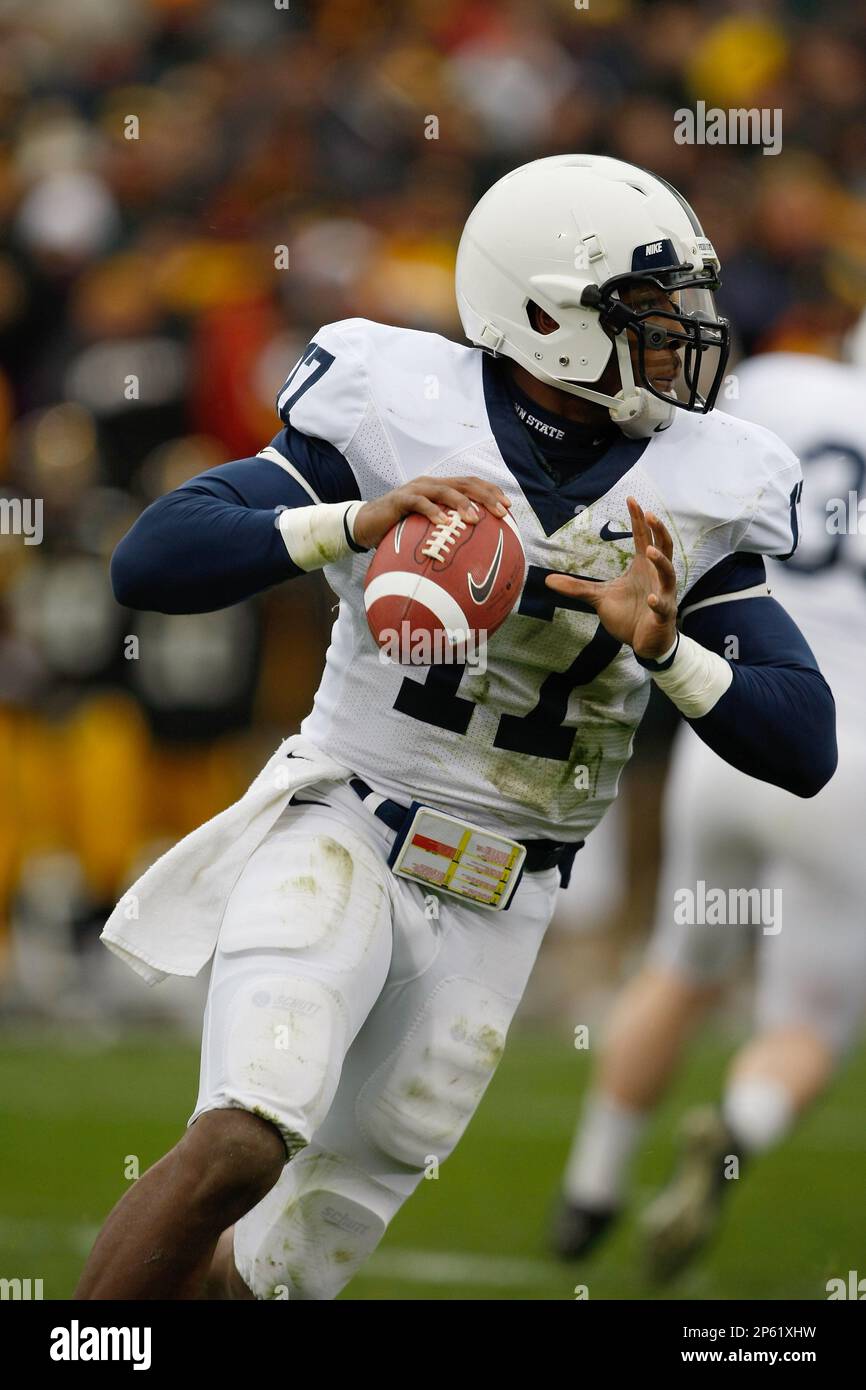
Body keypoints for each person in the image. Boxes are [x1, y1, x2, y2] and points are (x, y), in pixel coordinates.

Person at [74, 155, 836, 1300]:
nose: (681, 336)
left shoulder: (697, 481)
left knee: (282, 1274)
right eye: (645, 311)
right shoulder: (397, 403)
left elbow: (805, 744)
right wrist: (346, 521)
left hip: (503, 898)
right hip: (344, 828)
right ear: (544, 315)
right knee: (239, 1142)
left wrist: (665, 650)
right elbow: (153, 558)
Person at [552, 345, 865, 1280]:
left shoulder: (780, 385)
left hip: (733, 712)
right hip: (844, 758)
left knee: (681, 967)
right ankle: (736, 1126)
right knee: (807, 1022)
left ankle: (590, 1189)